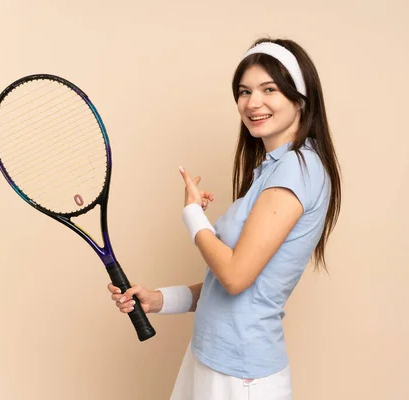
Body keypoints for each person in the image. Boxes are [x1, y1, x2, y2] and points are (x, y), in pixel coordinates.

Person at [107, 37, 342, 399]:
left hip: (241, 375)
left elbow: (234, 277)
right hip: (211, 357)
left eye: (269, 89)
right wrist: (157, 300)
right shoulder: (272, 169)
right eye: (244, 91)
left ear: (300, 98)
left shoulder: (297, 170)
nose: (253, 103)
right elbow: (230, 289)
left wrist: (191, 216)